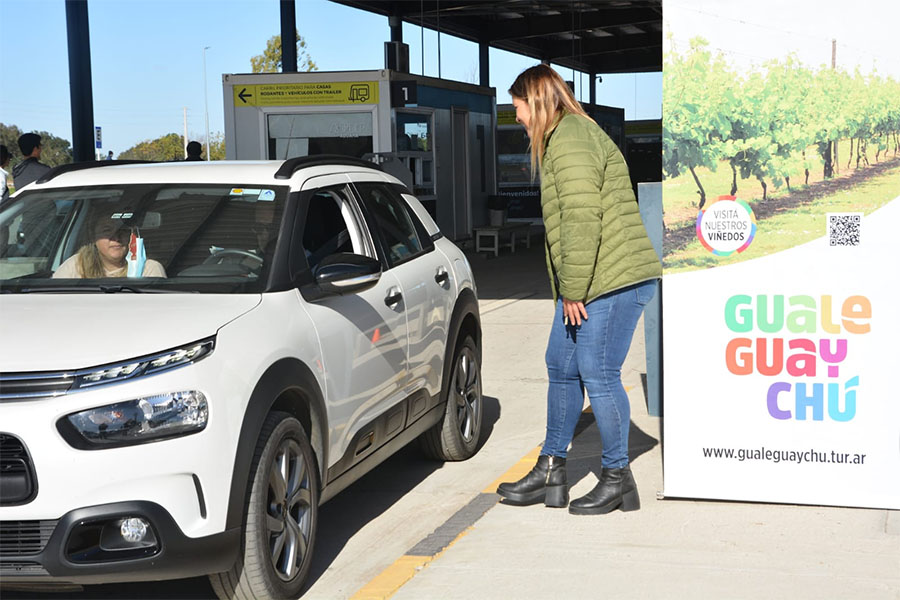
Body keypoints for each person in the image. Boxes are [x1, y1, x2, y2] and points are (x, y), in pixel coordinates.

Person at [496, 64, 662, 515]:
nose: (518, 118)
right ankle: (552, 467)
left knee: (598, 371)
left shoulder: (569, 139)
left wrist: (572, 290)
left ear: (537, 100)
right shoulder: (563, 138)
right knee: (561, 364)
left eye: (518, 108)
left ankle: (617, 477)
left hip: (612, 280)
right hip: (593, 279)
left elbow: (583, 220)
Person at [53, 215, 166, 278]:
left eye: (122, 230)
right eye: (107, 231)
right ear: (93, 237)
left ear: (131, 236)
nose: (115, 237)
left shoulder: (148, 269)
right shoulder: (77, 264)